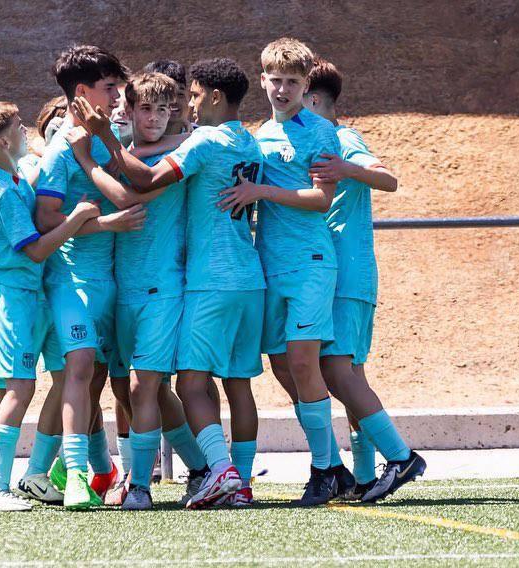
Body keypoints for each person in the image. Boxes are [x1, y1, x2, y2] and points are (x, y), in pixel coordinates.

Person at [73, 57, 265, 509]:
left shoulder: (186, 153)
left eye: (168, 109)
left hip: (174, 287)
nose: (155, 118)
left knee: (156, 385)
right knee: (130, 387)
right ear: (129, 110)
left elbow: (136, 189)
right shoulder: (206, 143)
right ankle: (205, 470)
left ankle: (146, 484)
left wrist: (93, 151)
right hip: (127, 288)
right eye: (145, 110)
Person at [217, 38, 342, 506]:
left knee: (304, 361)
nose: (282, 89)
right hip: (266, 264)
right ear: (263, 79)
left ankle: (324, 469)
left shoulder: (321, 132)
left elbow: (321, 200)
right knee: (279, 362)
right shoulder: (255, 136)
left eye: (292, 81)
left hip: (309, 262)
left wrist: (261, 193)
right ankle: (332, 464)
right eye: (275, 80)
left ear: (306, 84)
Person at [0, 101, 100, 512]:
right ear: (4, 140)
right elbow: (37, 250)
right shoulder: (3, 190)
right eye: (21, 128)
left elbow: (36, 164)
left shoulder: (12, 172)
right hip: (11, 298)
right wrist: (75, 218)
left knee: (4, 388)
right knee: (18, 388)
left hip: (15, 295)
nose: (28, 133)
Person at [304, 58, 426, 502]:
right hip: (334, 272)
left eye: (298, 94)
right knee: (347, 373)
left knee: (337, 370)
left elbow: (388, 179)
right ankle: (360, 474)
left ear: (314, 100)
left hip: (348, 273)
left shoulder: (342, 137)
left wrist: (347, 168)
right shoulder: (318, 138)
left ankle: (400, 457)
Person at [33, 45, 145, 509]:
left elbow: (138, 187)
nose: (118, 95)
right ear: (82, 93)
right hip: (73, 280)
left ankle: (74, 471)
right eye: (109, 87)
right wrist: (103, 224)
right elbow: (44, 220)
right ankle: (75, 474)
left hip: (111, 282)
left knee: (99, 376)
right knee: (78, 369)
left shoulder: (104, 137)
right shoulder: (61, 148)